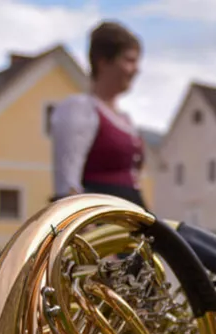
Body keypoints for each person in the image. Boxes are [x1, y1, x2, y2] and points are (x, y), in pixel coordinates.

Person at [49, 21, 147, 207]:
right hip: (101, 217)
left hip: (129, 214)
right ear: (103, 61)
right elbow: (67, 178)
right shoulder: (80, 108)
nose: (136, 69)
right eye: (129, 60)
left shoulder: (124, 118)